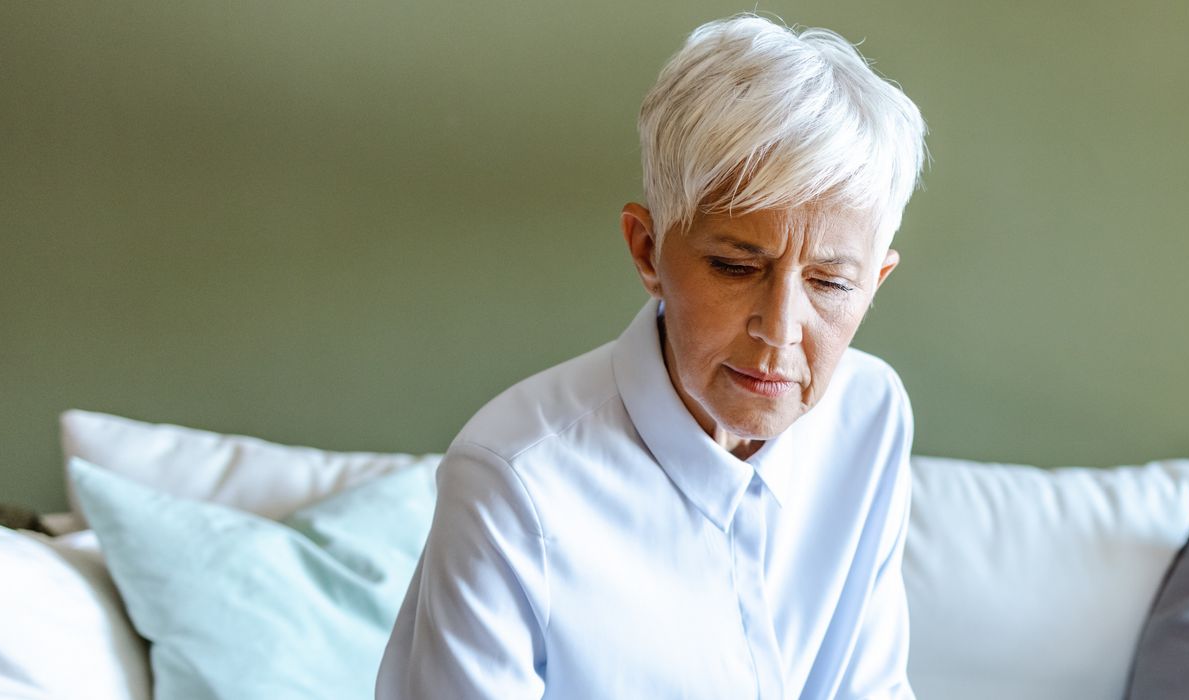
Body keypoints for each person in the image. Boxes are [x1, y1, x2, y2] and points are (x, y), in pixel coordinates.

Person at [376, 13, 926, 700]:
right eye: (733, 266)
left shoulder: (869, 414)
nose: (780, 330)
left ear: (873, 283)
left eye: (829, 283)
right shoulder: (510, 480)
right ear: (647, 251)